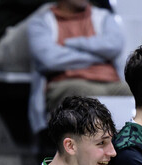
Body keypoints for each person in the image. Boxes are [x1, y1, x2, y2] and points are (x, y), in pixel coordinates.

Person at [26, 0, 129, 144]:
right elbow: (50, 60)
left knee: (139, 93)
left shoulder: (103, 17)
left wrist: (71, 43)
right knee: (88, 96)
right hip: (67, 83)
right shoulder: (40, 22)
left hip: (110, 82)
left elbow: (114, 45)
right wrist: (100, 56)